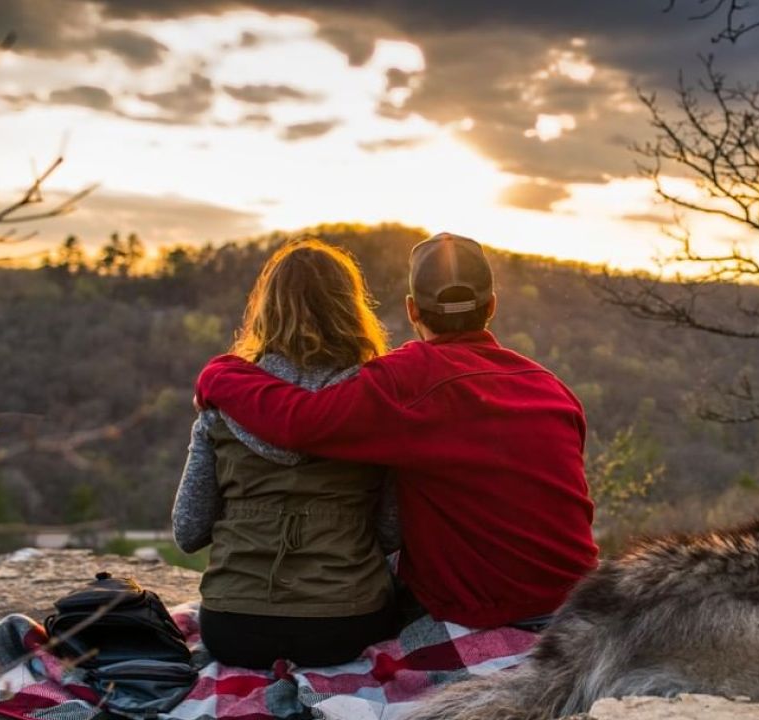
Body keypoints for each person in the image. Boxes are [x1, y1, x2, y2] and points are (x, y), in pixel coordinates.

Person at [194, 232, 599, 629]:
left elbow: (298, 424)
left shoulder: (406, 381)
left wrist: (220, 374)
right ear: (492, 305)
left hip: (489, 610)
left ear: (412, 310)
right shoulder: (552, 388)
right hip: (581, 603)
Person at [172, 238, 401, 669]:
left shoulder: (222, 408)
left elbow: (188, 531)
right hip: (346, 624)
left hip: (234, 626)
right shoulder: (371, 407)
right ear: (351, 309)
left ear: (267, 308)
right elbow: (392, 532)